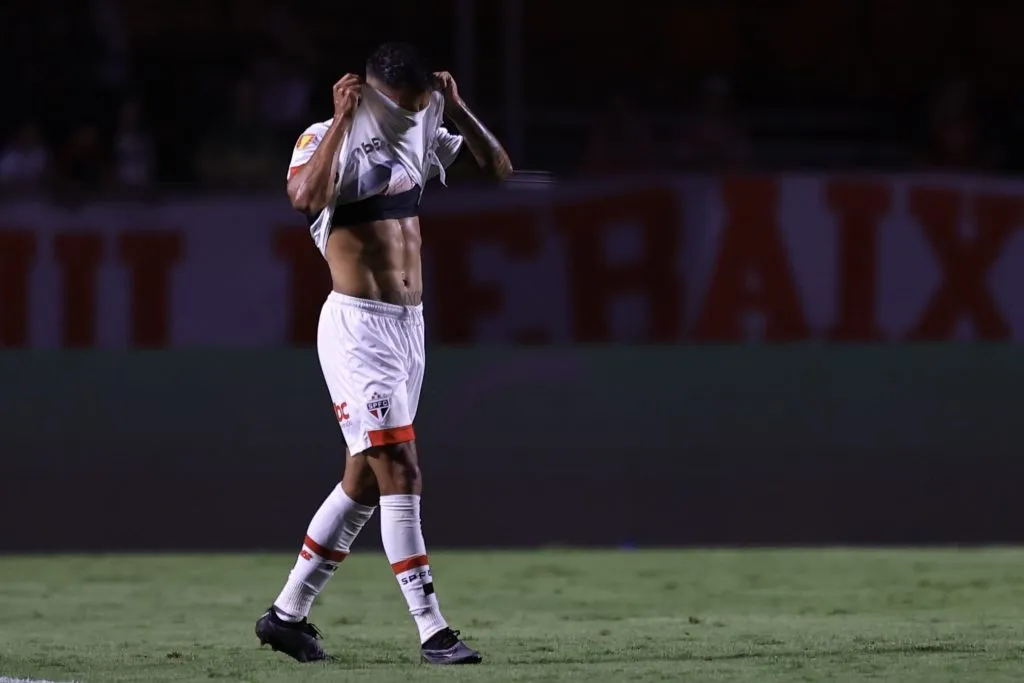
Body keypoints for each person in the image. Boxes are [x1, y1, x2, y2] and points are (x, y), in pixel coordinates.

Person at [255, 42, 512, 665]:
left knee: (364, 483)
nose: (412, 117)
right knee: (401, 467)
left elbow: (499, 169)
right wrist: (343, 119)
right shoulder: (324, 135)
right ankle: (433, 630)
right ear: (370, 94)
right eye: (403, 107)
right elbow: (302, 198)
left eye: (421, 107)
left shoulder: (424, 118)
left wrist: (458, 108)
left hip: (408, 329)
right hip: (357, 330)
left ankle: (286, 615)